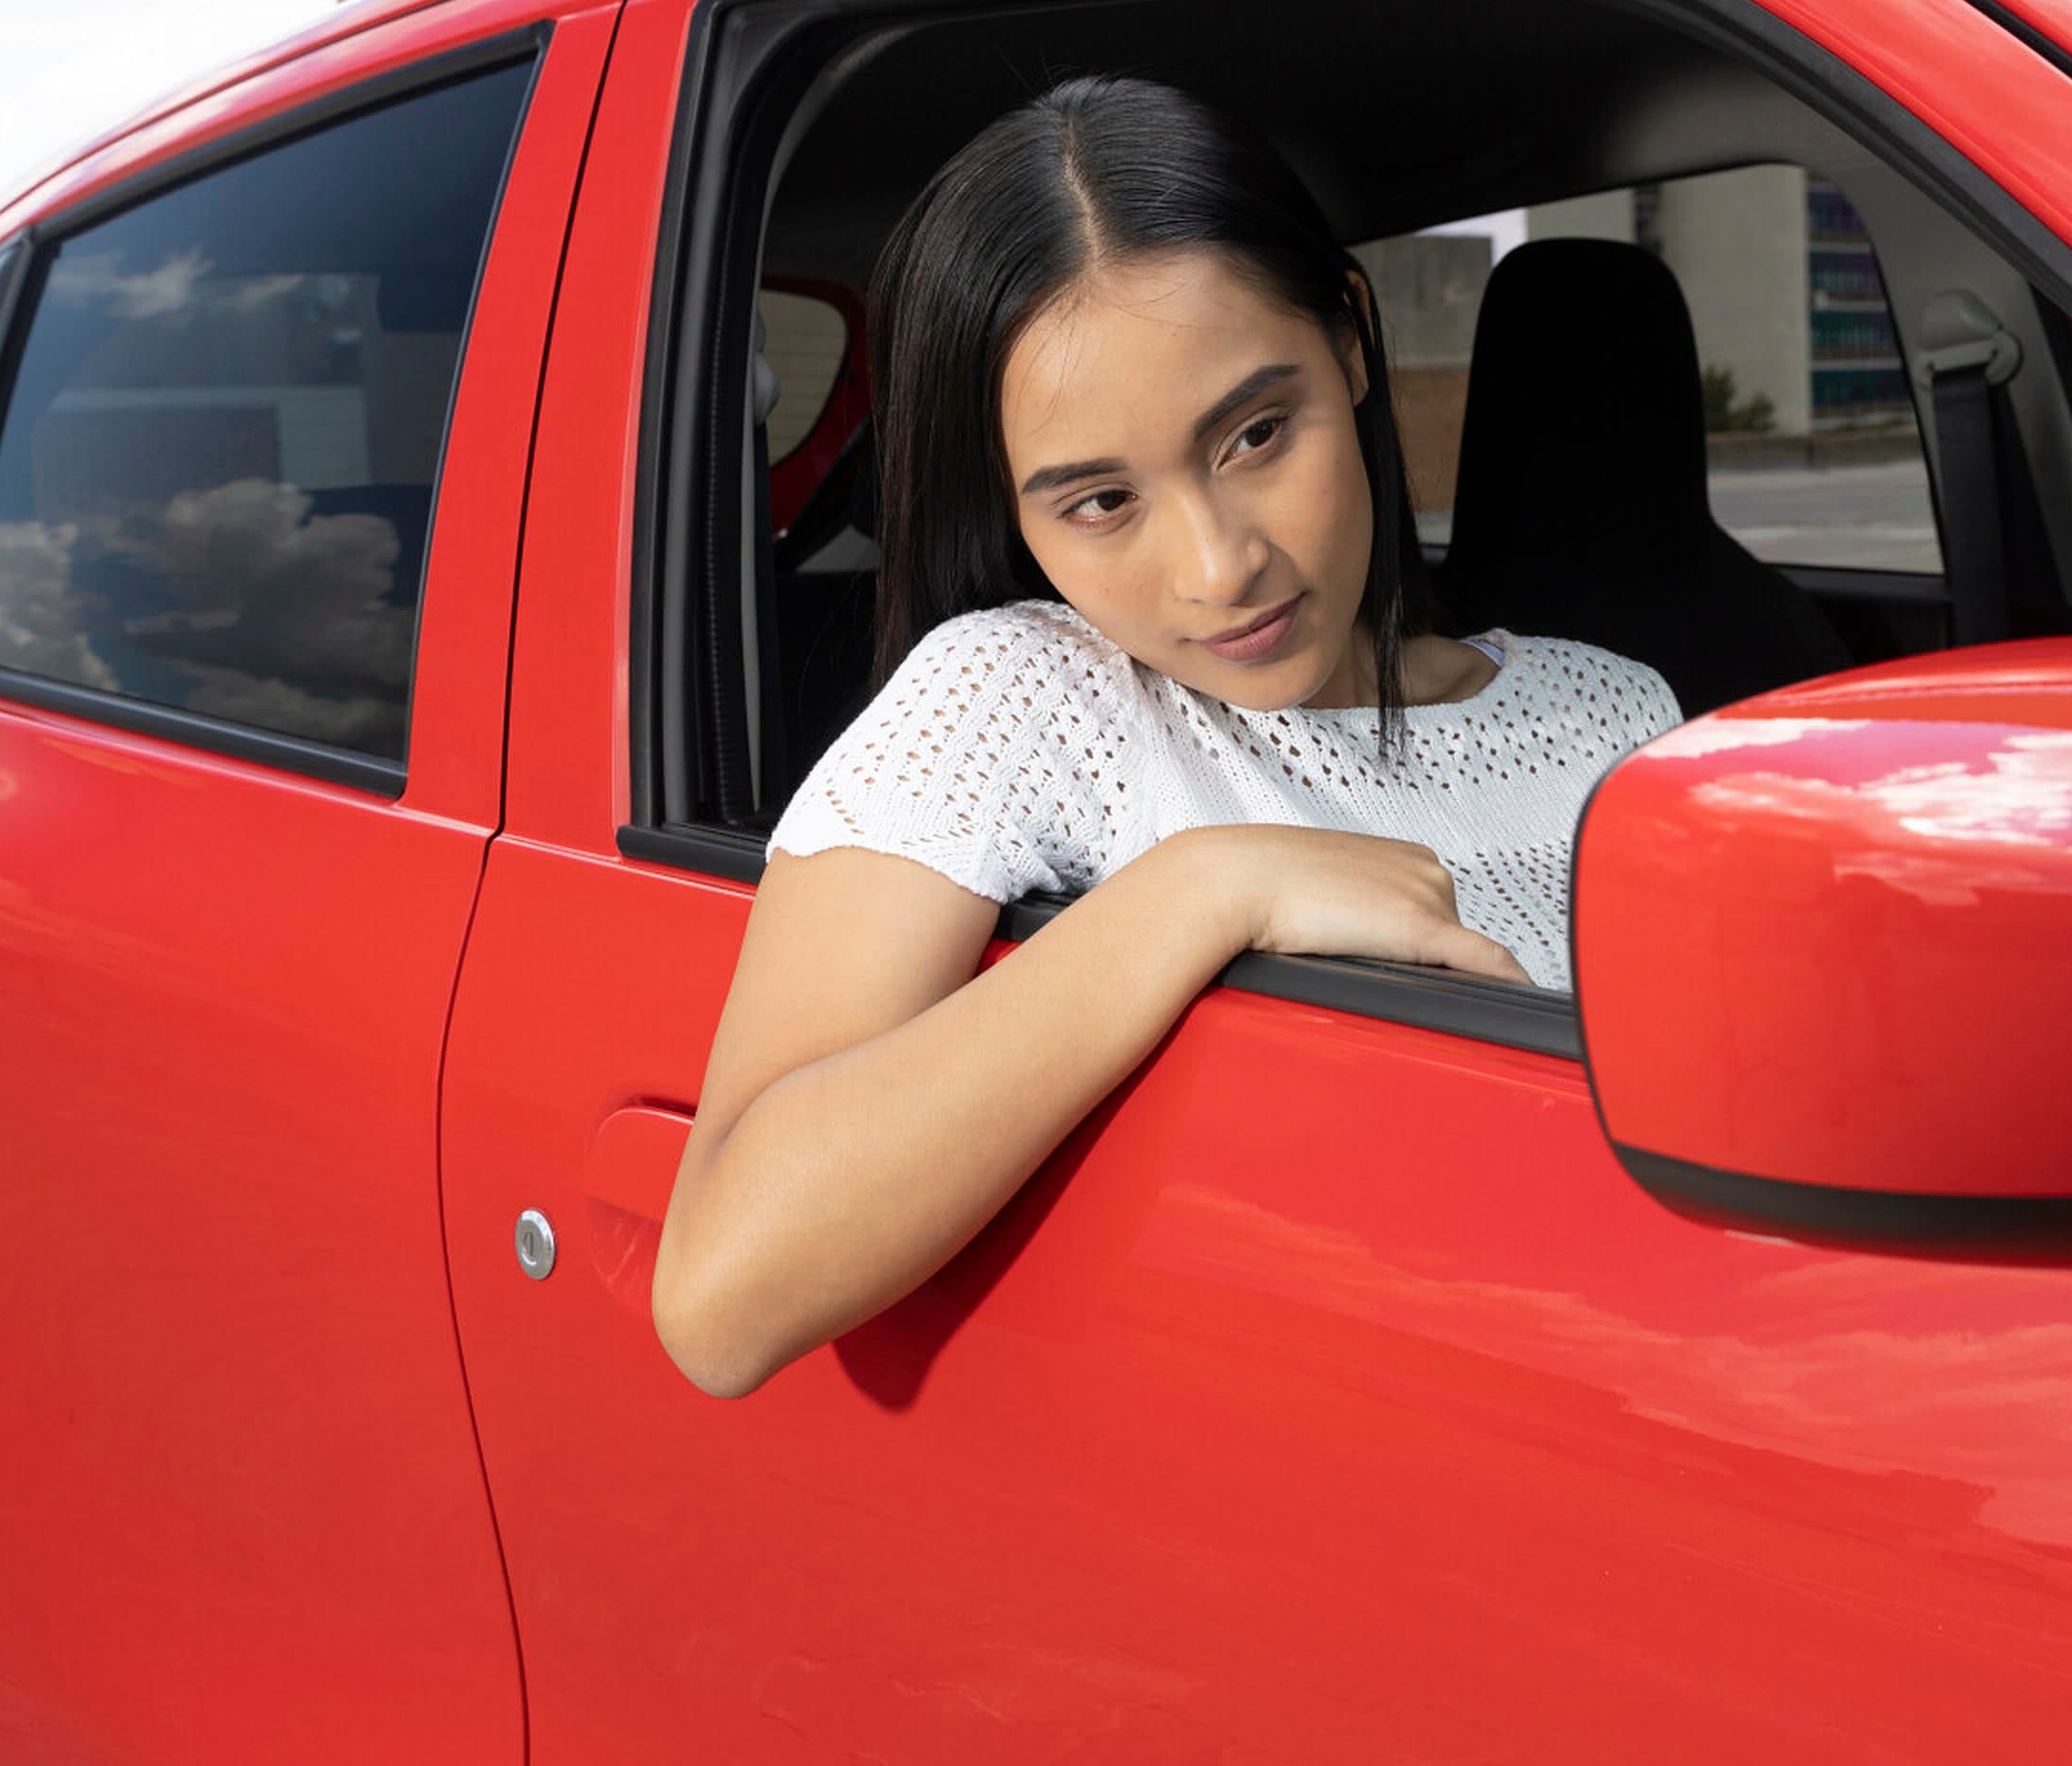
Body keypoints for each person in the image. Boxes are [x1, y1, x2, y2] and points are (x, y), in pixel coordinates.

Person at [651, 76, 1681, 1399]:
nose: (1218, 567)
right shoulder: (1027, 697)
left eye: (1256, 434)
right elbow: (723, 1292)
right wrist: (1205, 887)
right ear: (1018, 514)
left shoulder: (1618, 713)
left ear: (1352, 340)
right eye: (1098, 501)